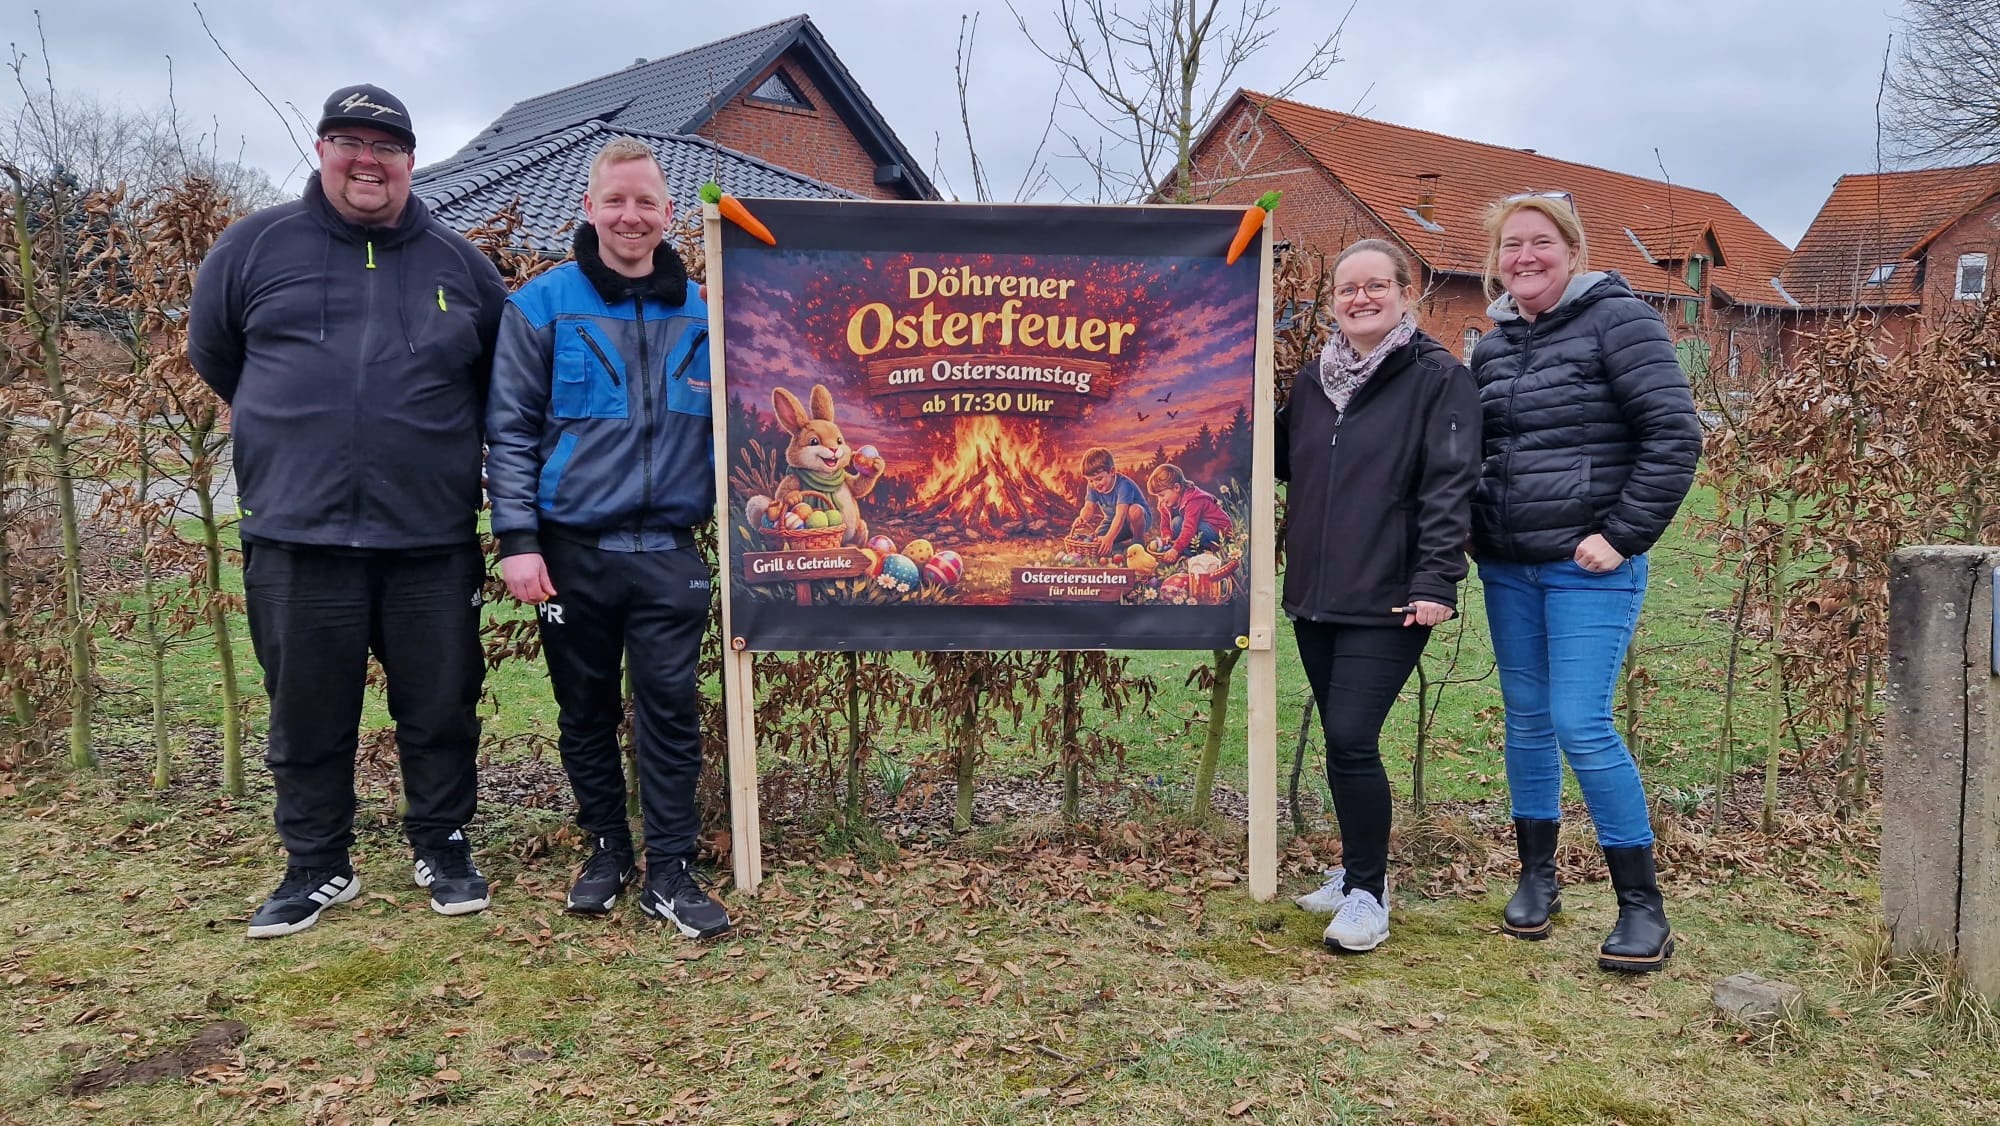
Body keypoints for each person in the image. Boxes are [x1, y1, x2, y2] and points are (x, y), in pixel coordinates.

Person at [189, 84, 509, 938]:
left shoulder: (462, 266)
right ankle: (316, 864)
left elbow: (496, 383)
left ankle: (442, 844)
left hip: (429, 540)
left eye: (386, 146)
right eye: (349, 142)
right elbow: (217, 357)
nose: (368, 160)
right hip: (297, 535)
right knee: (307, 713)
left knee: (441, 706)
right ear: (322, 149)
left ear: (410, 160)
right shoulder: (253, 247)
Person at [485, 138, 730, 940]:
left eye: (645, 202)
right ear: (589, 208)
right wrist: (517, 540)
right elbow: (509, 432)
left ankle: (670, 871)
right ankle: (606, 849)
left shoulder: (709, 311)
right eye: (615, 201)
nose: (630, 216)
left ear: (668, 213)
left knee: (671, 712)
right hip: (570, 553)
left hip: (668, 552)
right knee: (584, 711)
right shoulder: (541, 306)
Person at [1469, 192, 1700, 973]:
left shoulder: (1620, 320)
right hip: (1509, 565)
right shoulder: (1492, 348)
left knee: (1580, 720)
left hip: (1588, 568)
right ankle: (1537, 877)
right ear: (1496, 261)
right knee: (1528, 721)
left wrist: (1622, 535)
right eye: (1511, 245)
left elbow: (1673, 434)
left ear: (1572, 251)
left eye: (1540, 242)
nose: (1524, 257)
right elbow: (1480, 452)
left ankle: (1642, 906)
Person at [1277, 239, 1480, 953]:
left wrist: (1435, 579)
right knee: (1343, 744)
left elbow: (1450, 485)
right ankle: (1356, 873)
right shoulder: (1314, 381)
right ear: (1332, 301)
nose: (1360, 298)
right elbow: (1281, 458)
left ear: (1404, 294)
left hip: (1392, 594)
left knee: (1352, 737)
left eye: (1375, 286)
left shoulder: (1438, 378)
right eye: (1347, 289)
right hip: (1316, 593)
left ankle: (1369, 894)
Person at [1145, 463, 1233, 563]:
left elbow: (1189, 528)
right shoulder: (1165, 504)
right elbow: (1165, 524)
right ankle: (1187, 553)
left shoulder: (1194, 500)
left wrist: (1176, 549)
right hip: (1198, 527)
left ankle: (1204, 552)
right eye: (1157, 496)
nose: (1160, 500)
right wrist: (1167, 536)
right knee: (1176, 522)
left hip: (1217, 530)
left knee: (1191, 530)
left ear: (1177, 488)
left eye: (1162, 495)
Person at [1071, 447, 1150, 557]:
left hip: (1135, 521)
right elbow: (1089, 507)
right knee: (1096, 541)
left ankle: (1138, 541)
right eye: (1090, 480)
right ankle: (1124, 543)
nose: (1095, 484)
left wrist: (1109, 537)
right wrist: (1082, 518)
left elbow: (1121, 515)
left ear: (1112, 472)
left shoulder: (1124, 485)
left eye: (1099, 479)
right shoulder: (1092, 487)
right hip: (1111, 521)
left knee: (1134, 510)